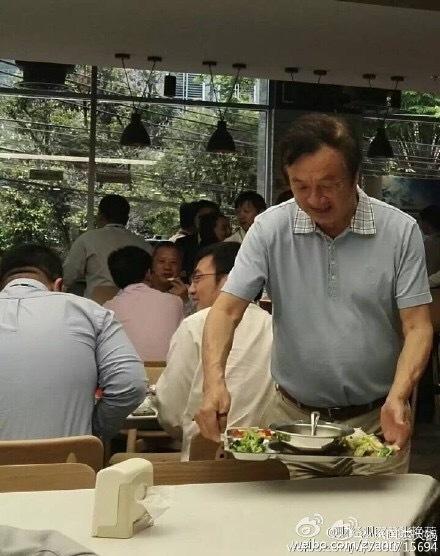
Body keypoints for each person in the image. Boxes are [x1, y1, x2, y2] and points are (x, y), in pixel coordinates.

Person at [196, 113, 433, 478]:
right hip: (292, 423)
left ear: (355, 177)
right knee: (293, 516)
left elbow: (417, 326)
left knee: (378, 517)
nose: (314, 199)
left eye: (327, 185)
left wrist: (399, 396)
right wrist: (213, 382)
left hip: (376, 423)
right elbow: (225, 311)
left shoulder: (399, 232)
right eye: (300, 185)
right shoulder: (270, 229)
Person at [0, 244, 146, 441]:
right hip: (71, 459)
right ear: (59, 285)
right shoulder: (91, 313)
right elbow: (131, 384)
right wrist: (94, 431)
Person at [155, 242, 273, 458]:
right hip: (269, 459)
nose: (191, 289)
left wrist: (192, 433)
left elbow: (171, 410)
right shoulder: (275, 326)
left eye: (198, 278)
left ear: (229, 280)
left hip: (204, 458)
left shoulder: (195, 324)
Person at [63, 194, 152, 298]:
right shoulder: (143, 244)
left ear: (101, 216)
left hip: (97, 303)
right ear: (126, 219)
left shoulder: (87, 239)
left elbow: (68, 276)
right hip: (136, 301)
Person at [105, 246, 184, 360]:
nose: (167, 267)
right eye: (161, 261)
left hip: (125, 368)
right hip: (165, 369)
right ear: (148, 272)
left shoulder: (107, 308)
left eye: (173, 262)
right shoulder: (175, 301)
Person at [175, 200, 220, 279]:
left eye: (210, 217)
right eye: (201, 217)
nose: (205, 221)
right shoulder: (182, 243)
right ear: (194, 219)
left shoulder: (225, 242)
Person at [419, 205, 440, 277]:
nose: (419, 225)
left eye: (420, 221)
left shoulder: (430, 242)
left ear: (426, 223)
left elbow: (430, 270)